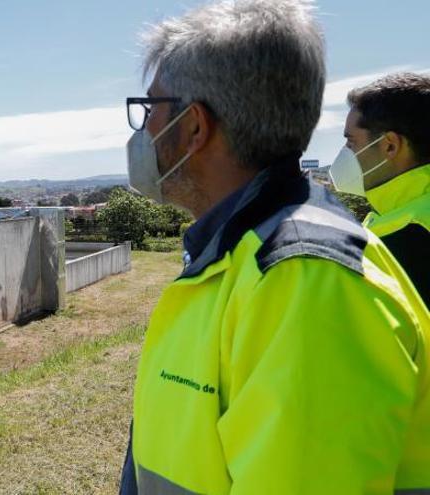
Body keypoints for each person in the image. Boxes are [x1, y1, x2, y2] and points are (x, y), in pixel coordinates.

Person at [118, 0, 430, 493]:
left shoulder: (306, 287)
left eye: (150, 109)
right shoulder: (240, 255)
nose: (143, 130)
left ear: (194, 127)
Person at [330, 72, 430, 307]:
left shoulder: (402, 236)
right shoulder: (396, 220)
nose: (345, 151)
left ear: (390, 146)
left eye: (351, 141)